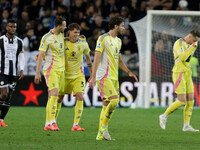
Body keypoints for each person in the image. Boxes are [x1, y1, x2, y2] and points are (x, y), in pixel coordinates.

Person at [89, 16, 138, 140]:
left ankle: (100, 134)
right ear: (115, 26)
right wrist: (93, 77)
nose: (123, 28)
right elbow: (97, 57)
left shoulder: (118, 41)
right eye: (122, 25)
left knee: (106, 104)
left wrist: (128, 72)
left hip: (114, 77)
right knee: (115, 101)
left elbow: (119, 60)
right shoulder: (103, 38)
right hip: (104, 76)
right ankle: (104, 129)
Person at [159, 30, 200, 132]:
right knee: (182, 101)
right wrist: (192, 47)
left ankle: (186, 125)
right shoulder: (179, 43)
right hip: (179, 73)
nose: (193, 43)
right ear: (190, 36)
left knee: (191, 100)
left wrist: (192, 46)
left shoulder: (192, 44)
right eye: (193, 40)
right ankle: (164, 116)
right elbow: (182, 57)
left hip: (188, 73)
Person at [57, 23, 92, 131]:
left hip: (78, 76)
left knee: (80, 96)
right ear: (69, 32)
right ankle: (52, 121)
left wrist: (91, 76)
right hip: (64, 76)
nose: (77, 34)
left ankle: (75, 124)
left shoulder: (83, 44)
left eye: (78, 32)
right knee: (59, 98)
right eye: (75, 32)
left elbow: (88, 60)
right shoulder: (63, 42)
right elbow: (52, 50)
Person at [34, 16, 66, 131]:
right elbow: (40, 55)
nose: (65, 27)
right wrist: (37, 73)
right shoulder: (46, 38)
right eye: (64, 25)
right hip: (50, 69)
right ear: (58, 26)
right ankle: (52, 122)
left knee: (53, 96)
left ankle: (47, 123)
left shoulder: (62, 35)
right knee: (54, 93)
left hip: (61, 70)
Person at [0, 19, 25, 127]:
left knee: (9, 97)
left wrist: (22, 69)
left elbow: (21, 55)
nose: (12, 29)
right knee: (4, 94)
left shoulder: (19, 41)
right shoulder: (1, 40)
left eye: (14, 27)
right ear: (6, 27)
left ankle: (1, 120)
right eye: (10, 26)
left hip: (13, 73)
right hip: (2, 72)